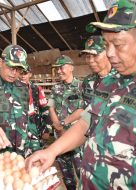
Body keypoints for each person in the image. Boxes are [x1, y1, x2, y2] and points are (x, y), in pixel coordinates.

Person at [26, 0, 136, 189]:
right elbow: (87, 121)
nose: (110, 53)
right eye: (107, 44)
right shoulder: (110, 81)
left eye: (117, 44)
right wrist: (52, 150)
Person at [48, 55, 84, 189]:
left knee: (82, 171)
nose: (58, 71)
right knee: (66, 173)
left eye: (61, 67)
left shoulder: (81, 86)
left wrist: (62, 123)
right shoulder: (55, 88)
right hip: (59, 136)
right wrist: (57, 125)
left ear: (71, 68)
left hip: (77, 137)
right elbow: (50, 106)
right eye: (57, 69)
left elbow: (82, 110)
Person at [18, 66, 51, 146]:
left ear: (30, 74)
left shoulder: (36, 89)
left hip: (36, 126)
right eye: (21, 73)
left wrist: (47, 129)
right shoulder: (13, 90)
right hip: (20, 127)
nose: (23, 76)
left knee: (37, 151)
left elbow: (45, 109)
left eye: (25, 73)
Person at [80, 35, 114, 108]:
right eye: (88, 56)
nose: (90, 61)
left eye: (95, 55)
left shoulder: (122, 80)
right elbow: (85, 109)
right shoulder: (87, 81)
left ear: (108, 53)